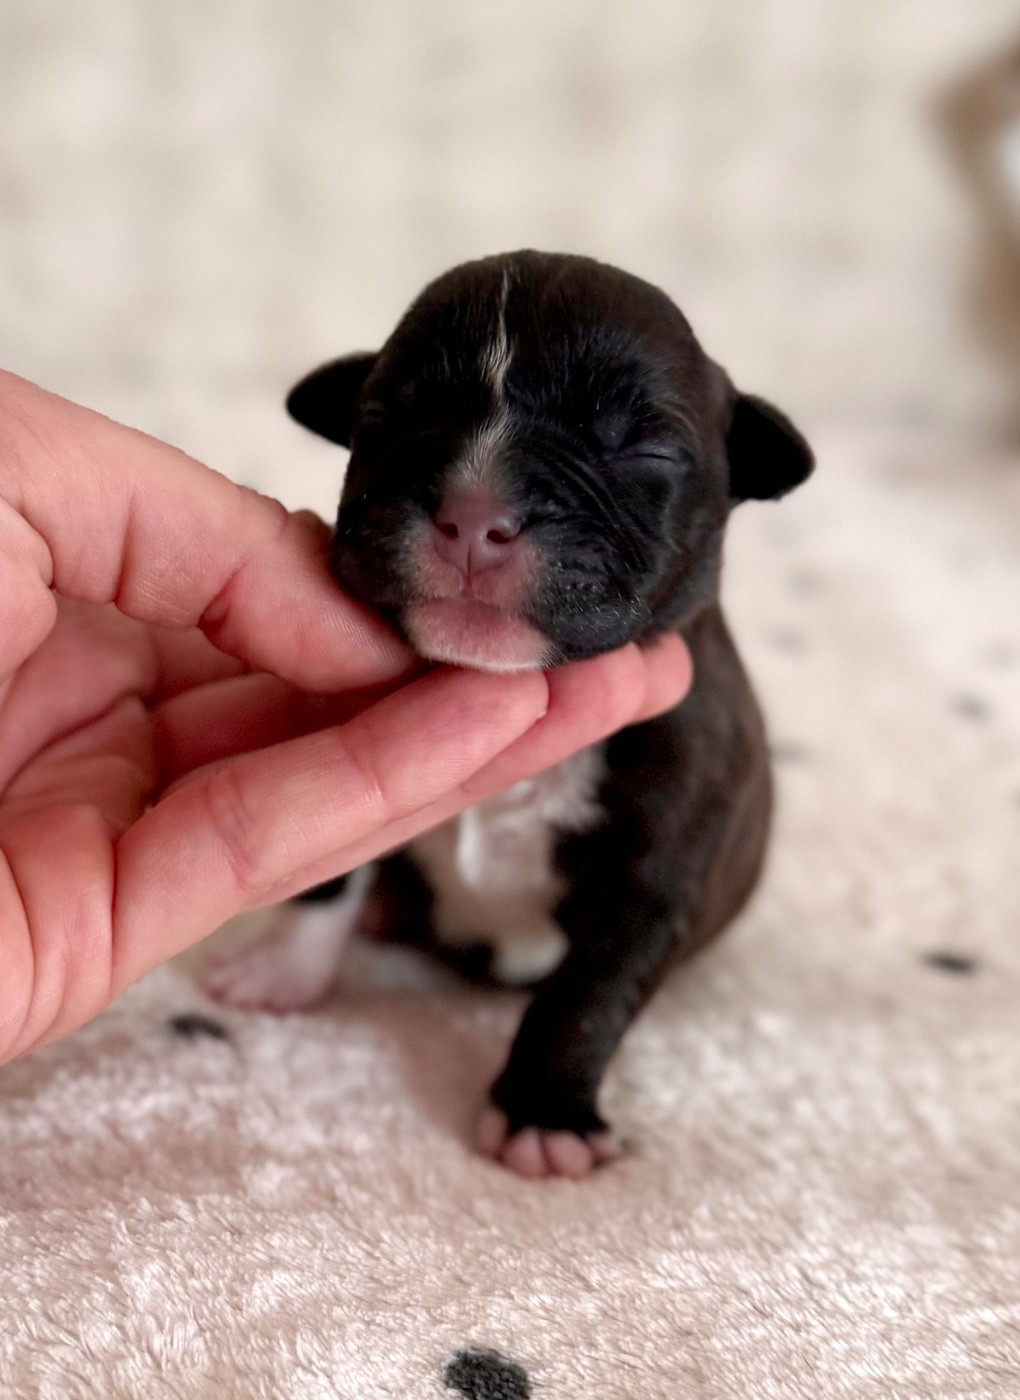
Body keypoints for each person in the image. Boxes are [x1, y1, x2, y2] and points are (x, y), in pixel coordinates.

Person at [0, 371, 692, 1067]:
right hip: (407, 907)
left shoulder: (668, 731)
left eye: (637, 451)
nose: (479, 519)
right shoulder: (341, 656)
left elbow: (656, 901)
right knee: (336, 752)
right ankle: (363, 917)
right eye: (393, 422)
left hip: (567, 944)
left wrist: (552, 1088)